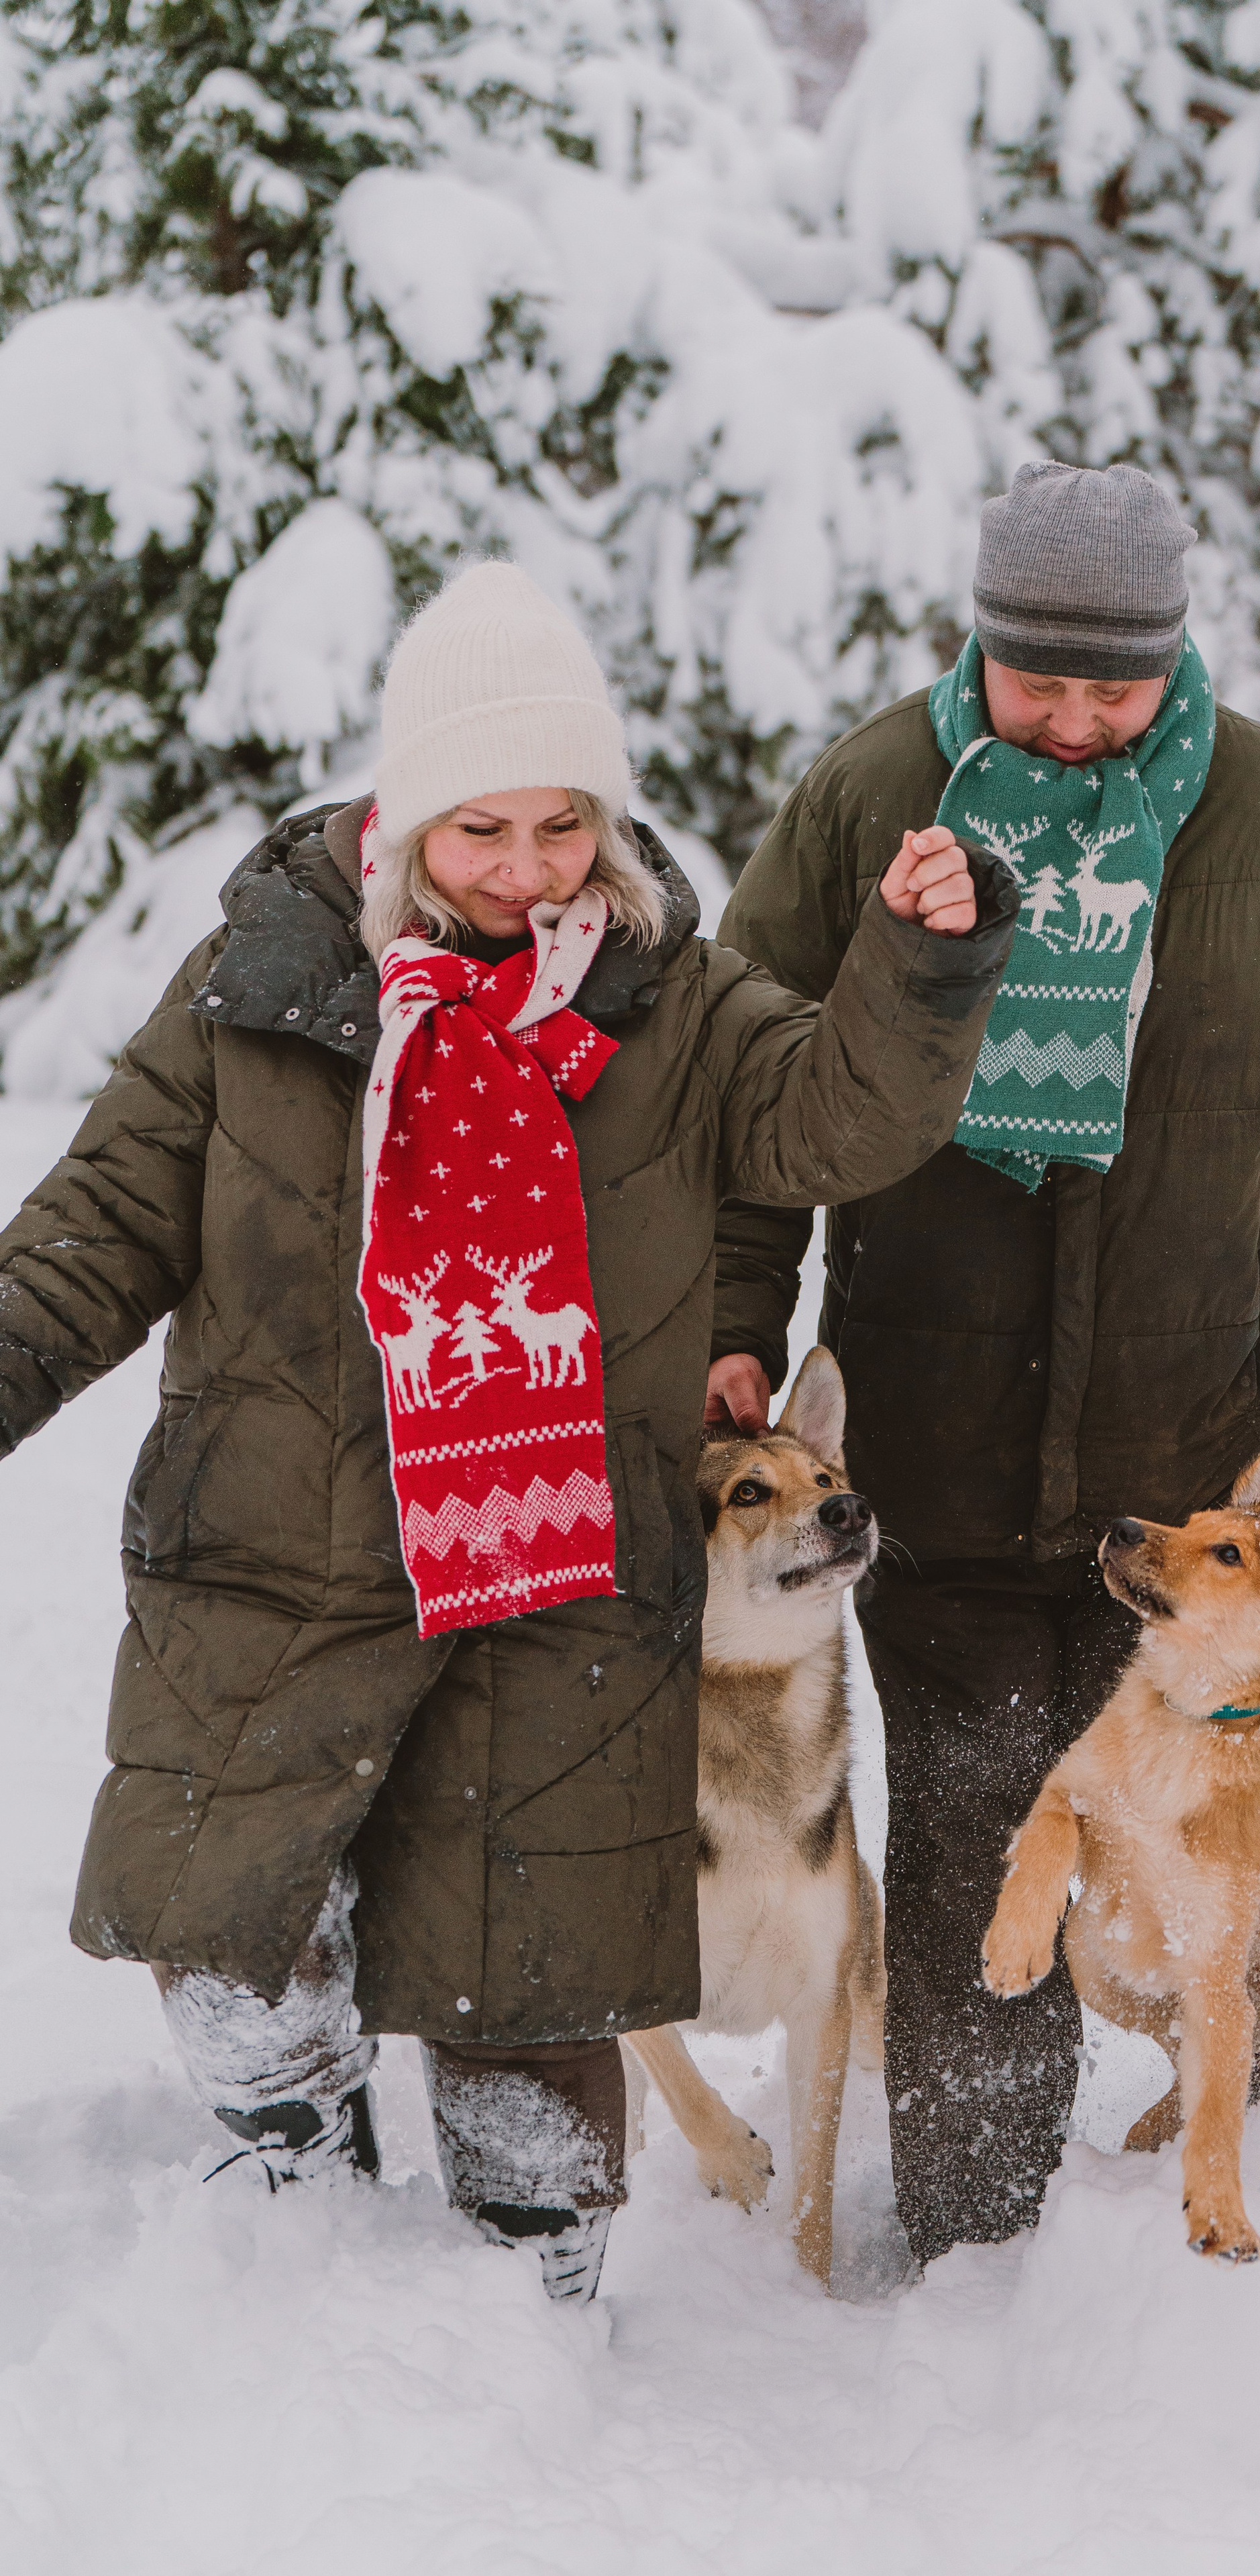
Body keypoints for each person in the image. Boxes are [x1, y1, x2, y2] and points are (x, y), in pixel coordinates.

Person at [0, 562, 1014, 2302]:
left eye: (564, 826)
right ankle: (292, 2207)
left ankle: (527, 2345)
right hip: (276, 1559)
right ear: (405, 824)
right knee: (236, 1947)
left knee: (525, 2009)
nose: (529, 871)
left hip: (556, 1593)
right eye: (483, 829)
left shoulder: (671, 1007)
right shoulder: (258, 990)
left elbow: (840, 1118)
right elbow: (95, 1231)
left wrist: (924, 970)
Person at [705, 460, 1260, 2271]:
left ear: (1175, 656)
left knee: (1211, 1839)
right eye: (1040, 682)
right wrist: (732, 1319)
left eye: (1115, 687)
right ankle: (979, 2249)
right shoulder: (874, 796)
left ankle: (1249, 2199)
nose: (1077, 719)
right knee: (981, 1839)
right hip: (938, 1438)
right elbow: (750, 1089)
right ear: (981, 642)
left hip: (1202, 1478)